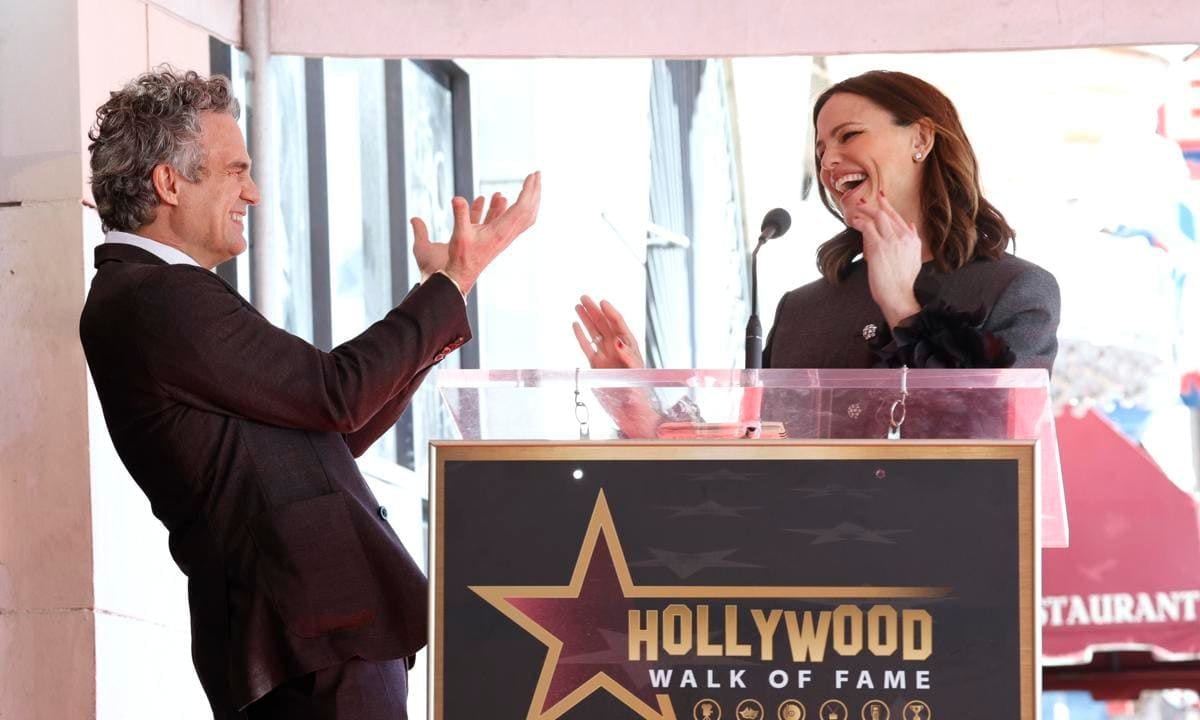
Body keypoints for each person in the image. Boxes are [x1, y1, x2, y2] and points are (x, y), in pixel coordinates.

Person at [79, 69, 540, 720]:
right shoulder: (157, 297)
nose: (255, 192)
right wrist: (450, 284)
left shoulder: (151, 297)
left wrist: (442, 293)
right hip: (312, 644)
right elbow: (335, 394)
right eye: (235, 171)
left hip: (317, 643)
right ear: (169, 183)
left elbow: (330, 430)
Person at [575, 70, 1059, 374]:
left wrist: (902, 306)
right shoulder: (801, 308)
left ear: (922, 139)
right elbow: (756, 444)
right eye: (822, 148)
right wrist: (638, 398)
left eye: (849, 135)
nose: (829, 163)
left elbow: (989, 438)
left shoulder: (1016, 291)